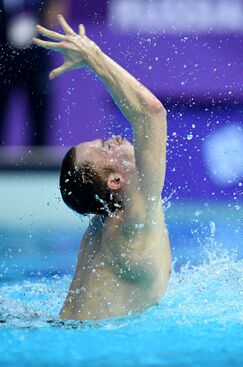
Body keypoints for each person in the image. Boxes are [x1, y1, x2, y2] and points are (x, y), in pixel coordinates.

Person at [33, 15, 172, 321]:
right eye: (109, 147)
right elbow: (151, 114)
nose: (118, 138)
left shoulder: (103, 222)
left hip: (63, 334)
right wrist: (93, 57)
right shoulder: (134, 219)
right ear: (116, 181)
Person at [0, 0, 68, 146]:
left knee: (40, 118)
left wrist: (41, 18)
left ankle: (39, 165)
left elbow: (56, 10)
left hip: (36, 55)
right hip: (2, 55)